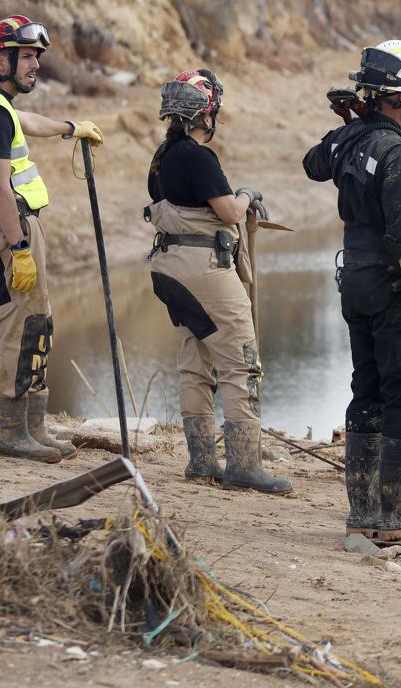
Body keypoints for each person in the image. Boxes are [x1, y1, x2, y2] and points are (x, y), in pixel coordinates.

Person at [303, 40, 401, 541]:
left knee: (366, 391)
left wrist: (352, 121)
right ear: (400, 97)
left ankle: (362, 512)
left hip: (356, 284)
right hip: (393, 287)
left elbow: (312, 163)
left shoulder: (352, 141)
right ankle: (398, 511)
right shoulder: (399, 155)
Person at [0, 15, 104, 463]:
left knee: (37, 319)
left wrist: (69, 127)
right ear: (1, 58)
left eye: (37, 57)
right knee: (19, 324)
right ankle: (8, 431)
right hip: (6, 230)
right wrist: (19, 248)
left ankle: (32, 425)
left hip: (9, 226)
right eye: (27, 57)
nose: (35, 65)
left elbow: (25, 122)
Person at [145, 69, 292, 494]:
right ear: (206, 113)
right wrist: (248, 195)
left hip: (169, 267)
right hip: (203, 267)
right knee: (240, 359)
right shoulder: (197, 156)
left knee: (195, 357)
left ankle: (202, 461)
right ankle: (245, 464)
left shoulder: (161, 155)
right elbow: (228, 212)